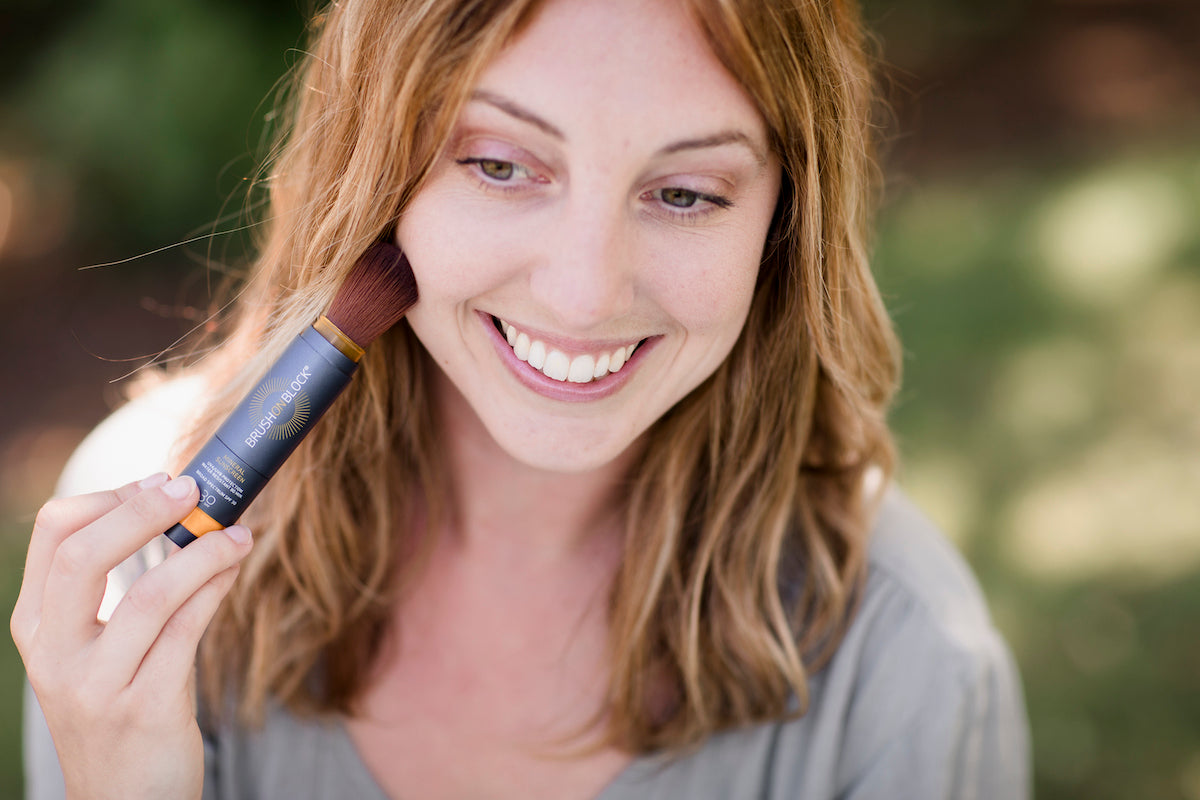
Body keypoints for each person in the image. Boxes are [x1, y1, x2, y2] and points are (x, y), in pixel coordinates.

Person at [12, 0, 1031, 797]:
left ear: (783, 223)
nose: (585, 292)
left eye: (685, 192)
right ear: (377, 174)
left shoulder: (907, 667)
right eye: (501, 164)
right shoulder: (138, 559)